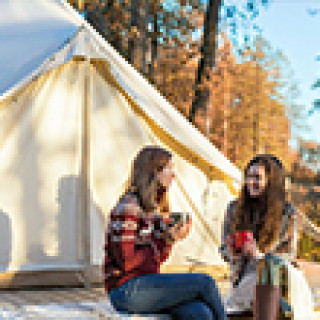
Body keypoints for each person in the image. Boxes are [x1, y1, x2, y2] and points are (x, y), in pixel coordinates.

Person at [105, 146, 227, 320]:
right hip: (125, 291)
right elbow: (127, 262)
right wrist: (166, 239)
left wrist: (168, 239)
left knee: (201, 313)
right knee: (205, 282)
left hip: (146, 285)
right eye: (168, 168)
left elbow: (155, 260)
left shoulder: (151, 210)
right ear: (153, 172)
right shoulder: (129, 208)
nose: (173, 174)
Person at [220, 154, 315, 320]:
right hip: (243, 279)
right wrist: (232, 254)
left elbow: (287, 256)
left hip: (278, 280)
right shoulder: (234, 209)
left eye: (257, 177)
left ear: (272, 182)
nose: (251, 182)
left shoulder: (287, 213)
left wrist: (258, 256)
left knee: (265, 273)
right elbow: (223, 249)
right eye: (249, 176)